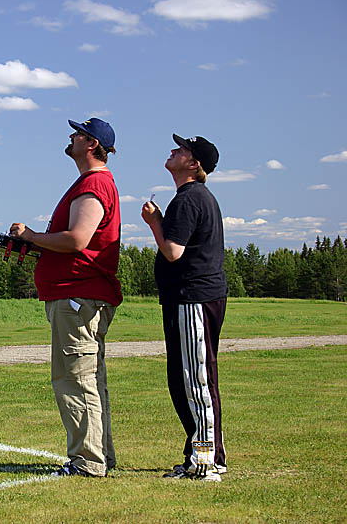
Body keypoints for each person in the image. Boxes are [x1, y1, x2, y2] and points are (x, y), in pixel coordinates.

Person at [10, 117, 122, 477]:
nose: (71, 137)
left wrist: (31, 236)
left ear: (91, 144)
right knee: (87, 378)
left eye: (78, 133)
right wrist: (34, 245)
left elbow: (77, 239)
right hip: (79, 297)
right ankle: (99, 456)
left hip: (78, 298)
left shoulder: (94, 184)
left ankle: (87, 462)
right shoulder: (91, 183)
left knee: (76, 379)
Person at [141, 133, 227, 482]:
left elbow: (173, 251)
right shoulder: (193, 197)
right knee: (188, 378)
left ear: (193, 163)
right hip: (192, 298)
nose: (173, 150)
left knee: (195, 381)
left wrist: (155, 223)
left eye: (182, 149)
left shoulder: (190, 198)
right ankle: (207, 454)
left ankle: (204, 461)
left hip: (193, 298)